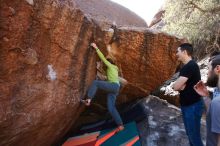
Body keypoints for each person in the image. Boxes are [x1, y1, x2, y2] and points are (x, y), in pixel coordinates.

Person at [82, 43, 124, 131]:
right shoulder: (112, 70)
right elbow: (104, 76)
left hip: (113, 86)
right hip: (114, 89)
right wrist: (98, 67)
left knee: (95, 83)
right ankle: (120, 125)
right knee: (111, 107)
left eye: (106, 64)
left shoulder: (111, 66)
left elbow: (103, 59)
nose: (104, 65)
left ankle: (89, 99)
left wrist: (96, 47)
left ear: (109, 62)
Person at [173, 43, 204, 146]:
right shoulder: (189, 66)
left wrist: (178, 86)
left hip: (192, 106)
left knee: (194, 136)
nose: (176, 54)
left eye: (178, 51)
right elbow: (177, 85)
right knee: (191, 134)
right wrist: (178, 85)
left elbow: (176, 87)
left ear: (184, 52)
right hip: (189, 105)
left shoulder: (190, 66)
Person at [194, 55, 220, 146]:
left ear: (217, 69)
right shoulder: (216, 91)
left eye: (208, 69)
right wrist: (206, 96)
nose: (207, 73)